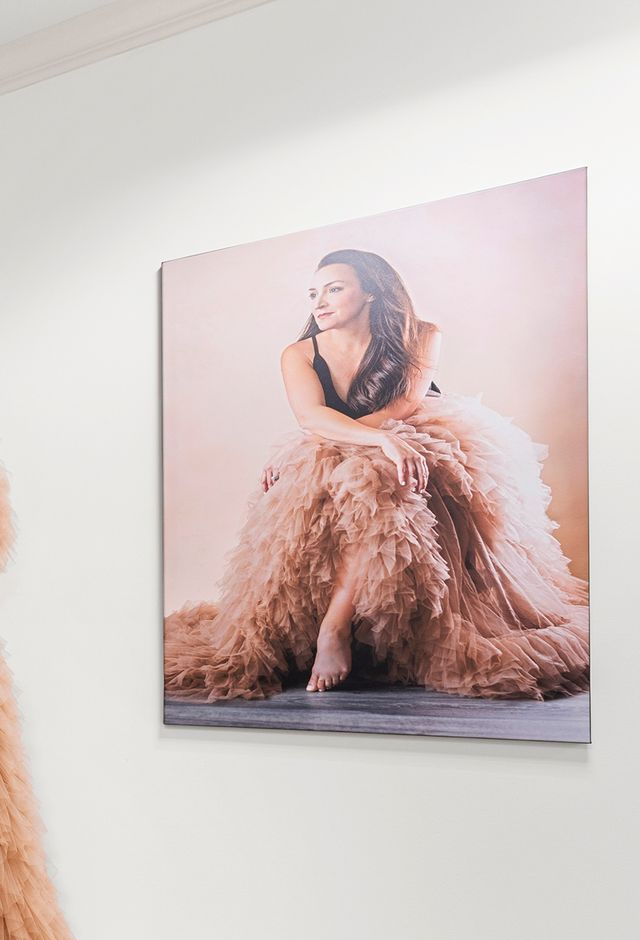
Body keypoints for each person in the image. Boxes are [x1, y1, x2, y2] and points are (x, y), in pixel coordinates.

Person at [165, 249, 588, 701]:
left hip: (415, 436)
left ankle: (336, 627)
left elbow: (402, 406)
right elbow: (311, 417)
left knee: (380, 475)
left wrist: (372, 441)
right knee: (348, 474)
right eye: (313, 292)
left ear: (370, 291)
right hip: (345, 441)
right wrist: (326, 444)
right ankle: (320, 627)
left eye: (334, 288)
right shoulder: (299, 353)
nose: (319, 302)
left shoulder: (422, 334)